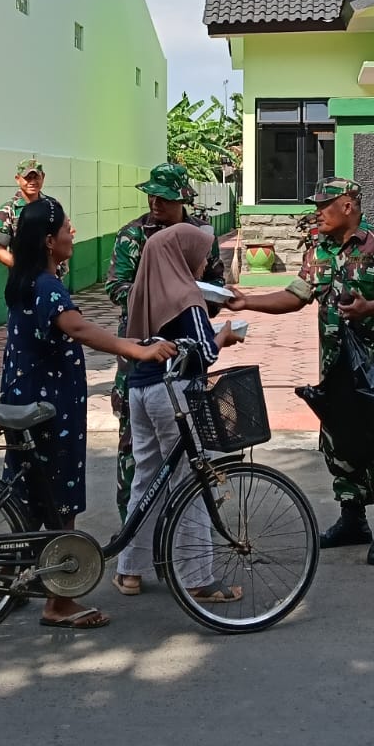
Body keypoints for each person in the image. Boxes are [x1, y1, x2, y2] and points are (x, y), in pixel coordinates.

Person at [228, 178, 374, 565]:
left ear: (349, 205)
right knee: (340, 439)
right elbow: (296, 295)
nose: (318, 212)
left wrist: (370, 308)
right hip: (336, 368)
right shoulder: (319, 251)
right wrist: (246, 302)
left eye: (325, 204)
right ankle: (352, 518)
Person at [1, 195, 172, 629]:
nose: (72, 233)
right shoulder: (46, 286)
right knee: (60, 502)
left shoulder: (25, 281)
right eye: (65, 229)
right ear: (47, 240)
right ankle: (58, 604)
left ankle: (11, 580)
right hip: (49, 409)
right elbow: (78, 327)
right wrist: (135, 348)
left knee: (28, 495)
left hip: (26, 399)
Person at [112, 223, 242, 601]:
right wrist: (226, 336)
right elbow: (204, 351)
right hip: (175, 395)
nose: (202, 265)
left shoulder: (144, 289)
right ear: (182, 256)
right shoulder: (186, 295)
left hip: (139, 390)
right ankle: (198, 578)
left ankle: (129, 571)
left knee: (145, 479)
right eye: (199, 256)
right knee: (191, 480)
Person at [105, 162, 226, 520]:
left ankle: (180, 537)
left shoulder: (200, 234)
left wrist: (205, 298)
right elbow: (115, 286)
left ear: (182, 199)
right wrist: (161, 296)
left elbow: (214, 283)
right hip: (142, 346)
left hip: (187, 349)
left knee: (188, 447)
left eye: (165, 197)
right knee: (135, 450)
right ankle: (131, 524)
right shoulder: (133, 235)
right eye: (152, 196)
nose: (156, 203)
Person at [0, 158, 63, 277]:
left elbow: (63, 238)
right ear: (18, 179)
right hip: (22, 282)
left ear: (43, 177)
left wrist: (60, 266)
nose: (32, 182)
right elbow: (0, 251)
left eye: (36, 177)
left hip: (51, 278)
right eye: (27, 178)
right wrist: (24, 267)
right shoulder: (7, 210)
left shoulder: (53, 206)